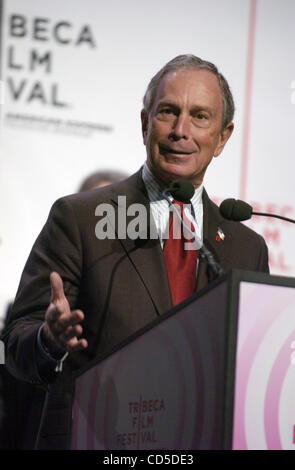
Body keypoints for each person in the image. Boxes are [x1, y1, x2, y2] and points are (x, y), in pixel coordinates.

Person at [1, 54, 269, 449]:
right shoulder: (80, 218)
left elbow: (253, 370)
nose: (181, 131)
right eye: (168, 112)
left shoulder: (247, 248)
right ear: (145, 122)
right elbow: (17, 342)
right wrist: (48, 340)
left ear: (223, 137)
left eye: (200, 116)